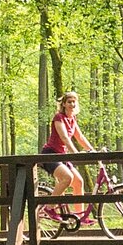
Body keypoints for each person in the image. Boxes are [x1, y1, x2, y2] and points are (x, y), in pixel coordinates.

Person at [40, 91, 95, 226]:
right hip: (51, 154)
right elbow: (64, 137)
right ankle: (49, 208)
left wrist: (92, 150)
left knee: (79, 182)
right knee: (67, 178)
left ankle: (79, 217)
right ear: (64, 104)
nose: (72, 104)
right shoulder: (59, 117)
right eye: (69, 101)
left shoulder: (73, 119)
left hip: (63, 156)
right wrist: (75, 153)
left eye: (74, 101)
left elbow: (80, 137)